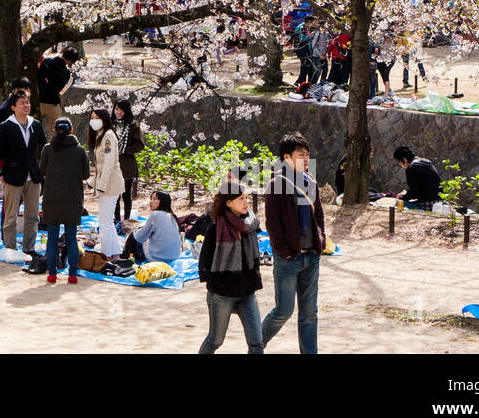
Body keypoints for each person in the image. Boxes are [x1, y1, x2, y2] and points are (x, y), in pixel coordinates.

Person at [261, 132, 326, 354]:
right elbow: (273, 223)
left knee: (310, 313)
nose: (306, 159)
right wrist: (284, 251)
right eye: (301, 154)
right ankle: (256, 345)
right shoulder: (276, 184)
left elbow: (319, 216)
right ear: (287, 157)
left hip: (311, 256)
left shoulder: (311, 181)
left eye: (307, 154)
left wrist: (320, 242)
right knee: (283, 311)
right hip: (289, 259)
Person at [197, 177, 264, 354]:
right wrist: (218, 283)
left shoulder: (250, 225)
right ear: (228, 202)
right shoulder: (215, 228)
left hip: (247, 292)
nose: (246, 201)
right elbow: (204, 262)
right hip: (222, 294)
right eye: (241, 198)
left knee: (257, 342)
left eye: (246, 197)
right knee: (215, 341)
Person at [0, 89, 45, 256]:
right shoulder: (6, 127)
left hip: (33, 176)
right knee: (11, 216)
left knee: (32, 215)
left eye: (27, 102)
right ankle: (10, 248)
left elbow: (44, 149)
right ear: (13, 107)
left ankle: (29, 247)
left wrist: (42, 172)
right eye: (22, 103)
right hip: (12, 176)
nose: (26, 106)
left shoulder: (35, 125)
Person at [38, 117, 89, 284]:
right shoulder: (80, 150)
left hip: (51, 198)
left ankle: (52, 274)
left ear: (55, 131)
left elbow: (42, 171)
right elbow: (86, 174)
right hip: (73, 200)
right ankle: (72, 275)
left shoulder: (48, 149)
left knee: (52, 238)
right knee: (71, 238)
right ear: (71, 131)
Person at [88, 107, 124, 258]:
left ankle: (105, 255)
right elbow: (100, 165)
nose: (94, 121)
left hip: (110, 184)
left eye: (97, 117)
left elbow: (109, 163)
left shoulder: (108, 137)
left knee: (104, 222)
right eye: (92, 118)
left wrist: (101, 186)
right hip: (106, 183)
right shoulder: (100, 136)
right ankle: (115, 253)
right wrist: (92, 182)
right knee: (107, 222)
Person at [122, 191, 182, 263]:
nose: (151, 202)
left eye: (155, 199)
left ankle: (126, 256)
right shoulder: (172, 216)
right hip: (175, 256)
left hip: (158, 258)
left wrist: (135, 232)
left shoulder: (156, 214)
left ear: (163, 201)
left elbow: (140, 237)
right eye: (151, 199)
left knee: (135, 235)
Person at [112, 98, 144, 225]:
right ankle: (116, 220)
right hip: (113, 163)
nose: (118, 112)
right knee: (114, 195)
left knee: (126, 194)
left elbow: (140, 145)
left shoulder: (133, 126)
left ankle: (127, 220)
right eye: (116, 109)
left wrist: (126, 149)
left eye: (121, 109)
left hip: (127, 164)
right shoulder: (110, 125)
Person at [35, 47, 78, 132]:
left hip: (37, 100)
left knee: (33, 128)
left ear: (62, 53)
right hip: (52, 104)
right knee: (54, 131)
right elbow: (62, 92)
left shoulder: (45, 62)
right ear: (70, 61)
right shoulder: (66, 74)